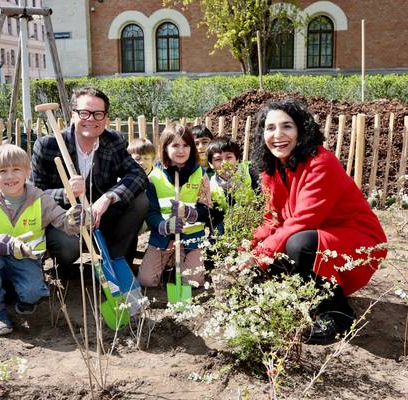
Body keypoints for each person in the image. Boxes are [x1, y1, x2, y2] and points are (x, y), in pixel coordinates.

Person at [241, 99, 388, 344]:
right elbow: (272, 220)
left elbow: (302, 221)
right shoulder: (272, 169)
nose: (278, 135)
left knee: (298, 245)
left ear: (301, 130)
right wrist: (247, 248)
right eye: (270, 128)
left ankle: (339, 316)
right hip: (320, 235)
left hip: (358, 241)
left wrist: (260, 255)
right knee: (276, 259)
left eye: (287, 126)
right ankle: (312, 302)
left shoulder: (321, 163)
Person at [0, 144, 86, 336]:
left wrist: (73, 220)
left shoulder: (40, 199)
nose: (10, 176)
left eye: (16, 169)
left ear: (27, 172)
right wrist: (5, 243)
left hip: (28, 259)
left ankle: (23, 295)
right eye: (2, 171)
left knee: (32, 294)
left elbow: (62, 220)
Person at [30, 87, 149, 274]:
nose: (91, 119)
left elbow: (138, 175)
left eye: (98, 114)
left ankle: (115, 265)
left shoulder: (113, 141)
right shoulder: (48, 146)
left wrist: (109, 197)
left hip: (102, 218)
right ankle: (65, 267)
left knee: (140, 200)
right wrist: (66, 193)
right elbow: (33, 194)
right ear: (73, 115)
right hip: (66, 220)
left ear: (106, 118)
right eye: (84, 113)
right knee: (68, 249)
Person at [138, 124, 212, 288]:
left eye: (186, 145)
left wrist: (190, 212)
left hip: (191, 238)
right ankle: (170, 259)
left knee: (193, 283)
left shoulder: (200, 174)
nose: (181, 150)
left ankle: (182, 259)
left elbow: (207, 209)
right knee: (147, 281)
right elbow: (151, 212)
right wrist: (164, 226)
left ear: (191, 148)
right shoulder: (155, 177)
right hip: (163, 238)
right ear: (165, 148)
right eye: (175, 145)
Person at [206, 136, 259, 234]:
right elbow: (217, 218)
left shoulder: (252, 173)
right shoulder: (211, 187)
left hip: (255, 223)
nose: (224, 163)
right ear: (211, 164)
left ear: (237, 159)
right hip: (231, 226)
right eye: (218, 159)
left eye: (229, 157)